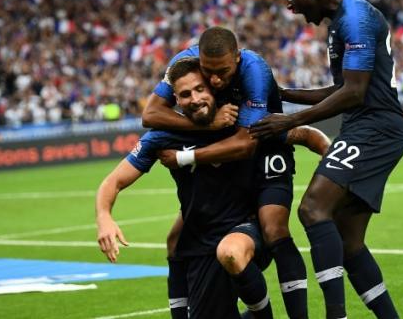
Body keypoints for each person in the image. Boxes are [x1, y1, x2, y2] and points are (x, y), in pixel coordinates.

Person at [250, 0, 403, 319]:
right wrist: (284, 95)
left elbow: (354, 93)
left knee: (312, 209)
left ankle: (335, 315)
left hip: (376, 127)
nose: (291, 8)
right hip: (366, 125)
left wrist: (287, 121)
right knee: (349, 242)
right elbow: (341, 90)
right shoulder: (343, 20)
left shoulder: (355, 19)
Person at [143, 27, 312, 319]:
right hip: (228, 153)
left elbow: (247, 144)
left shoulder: (255, 70)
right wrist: (206, 127)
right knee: (176, 239)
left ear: (237, 56)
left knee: (274, 228)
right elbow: (150, 114)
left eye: (223, 71)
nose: (216, 80)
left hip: (265, 148)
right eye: (209, 72)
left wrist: (185, 157)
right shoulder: (186, 62)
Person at [97, 57, 273, 318]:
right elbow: (113, 181)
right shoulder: (162, 137)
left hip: (246, 229)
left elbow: (288, 130)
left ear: (212, 88)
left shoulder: (239, 120)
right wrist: (104, 217)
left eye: (200, 89)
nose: (195, 98)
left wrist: (321, 145)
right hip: (201, 242)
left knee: (231, 253)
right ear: (177, 101)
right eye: (186, 94)